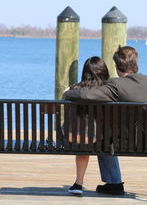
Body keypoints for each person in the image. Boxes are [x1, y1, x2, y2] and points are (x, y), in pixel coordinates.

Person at [63, 46, 147, 195]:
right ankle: (114, 182)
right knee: (105, 133)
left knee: (103, 137)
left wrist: (69, 92)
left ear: (117, 66)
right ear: (135, 64)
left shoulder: (117, 84)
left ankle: (110, 182)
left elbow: (89, 95)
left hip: (126, 143)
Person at [62, 56, 110, 195]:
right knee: (92, 133)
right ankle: (113, 181)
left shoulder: (72, 90)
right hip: (98, 140)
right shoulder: (107, 91)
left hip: (71, 138)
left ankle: (79, 183)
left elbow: (63, 99)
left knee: (82, 134)